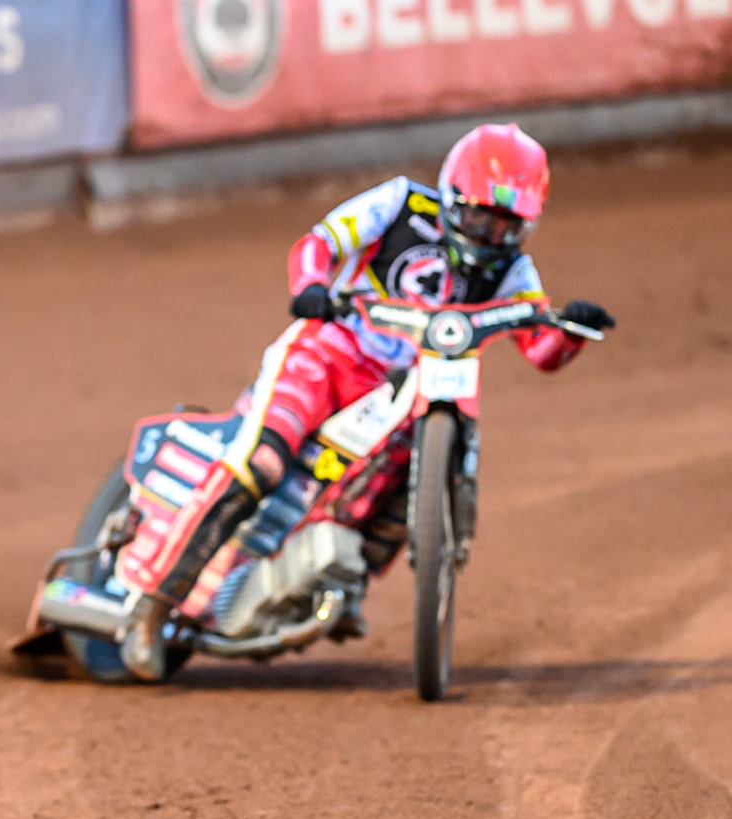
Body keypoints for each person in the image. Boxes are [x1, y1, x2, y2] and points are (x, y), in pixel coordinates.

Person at [118, 123, 616, 681]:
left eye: (507, 224)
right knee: (261, 464)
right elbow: (320, 243)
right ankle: (149, 606)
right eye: (480, 216)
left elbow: (541, 351)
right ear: (452, 198)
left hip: (400, 396)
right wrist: (310, 284)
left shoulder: (513, 272)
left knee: (405, 483)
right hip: (324, 358)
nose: (490, 234)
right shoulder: (400, 202)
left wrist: (571, 331)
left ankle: (342, 583)